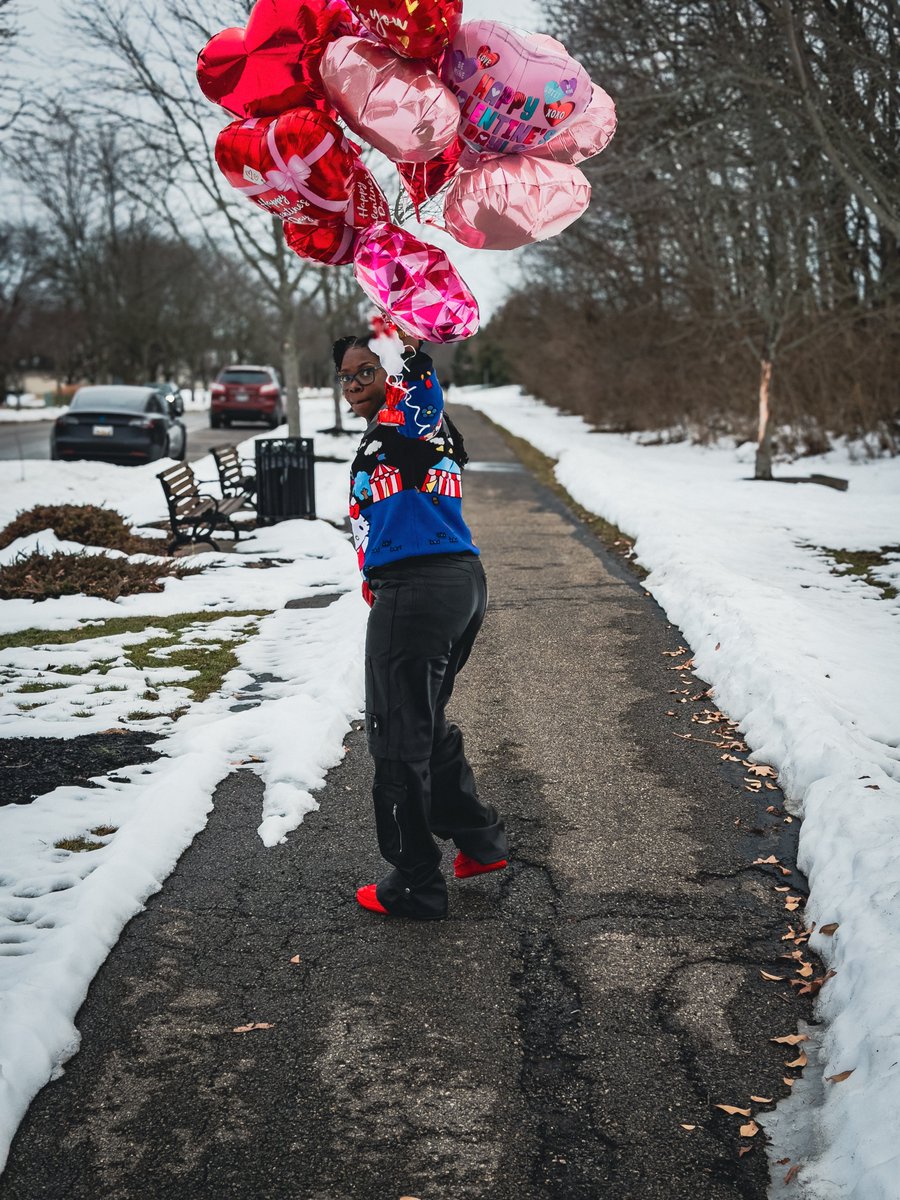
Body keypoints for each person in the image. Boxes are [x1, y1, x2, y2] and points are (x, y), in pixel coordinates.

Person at [334, 329, 508, 921]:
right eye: (346, 376)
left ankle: (414, 882)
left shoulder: (411, 418)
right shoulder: (390, 434)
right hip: (449, 584)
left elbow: (422, 400)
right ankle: (480, 843)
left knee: (395, 738)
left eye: (366, 371)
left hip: (422, 588)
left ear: (390, 375)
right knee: (423, 723)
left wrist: (411, 354)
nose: (353, 385)